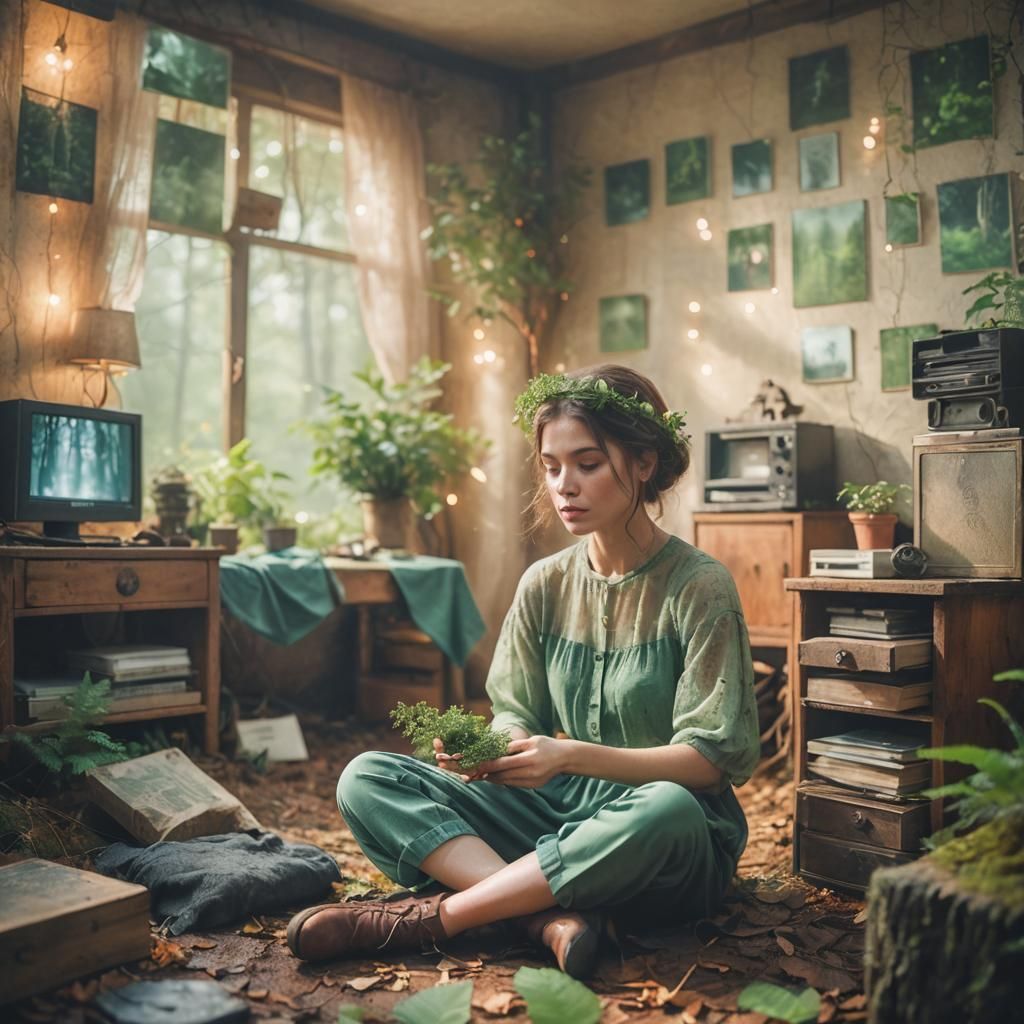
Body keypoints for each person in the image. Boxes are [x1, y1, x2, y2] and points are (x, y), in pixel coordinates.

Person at [287, 364, 760, 977]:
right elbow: (516, 712)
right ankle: (545, 920)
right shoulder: (545, 583)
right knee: (366, 776)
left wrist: (565, 756)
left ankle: (437, 919)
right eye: (552, 465)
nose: (565, 485)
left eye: (588, 464)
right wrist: (494, 749)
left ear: (644, 463)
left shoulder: (699, 587)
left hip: (667, 837)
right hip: (561, 814)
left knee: (666, 806)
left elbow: (708, 762)